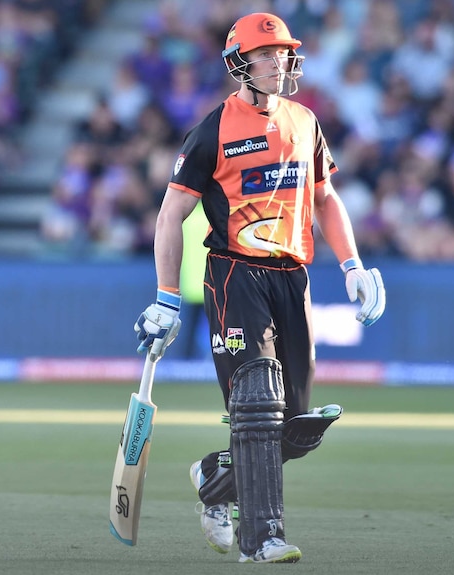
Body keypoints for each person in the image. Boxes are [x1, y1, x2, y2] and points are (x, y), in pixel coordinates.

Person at [133, 12, 385, 564]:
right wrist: (166, 297)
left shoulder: (305, 121)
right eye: (267, 54)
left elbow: (323, 199)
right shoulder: (212, 129)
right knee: (257, 407)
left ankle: (213, 480)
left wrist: (353, 267)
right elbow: (170, 214)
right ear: (239, 63)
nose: (279, 61)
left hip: (293, 279)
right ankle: (261, 538)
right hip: (234, 274)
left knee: (294, 427)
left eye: (284, 53)